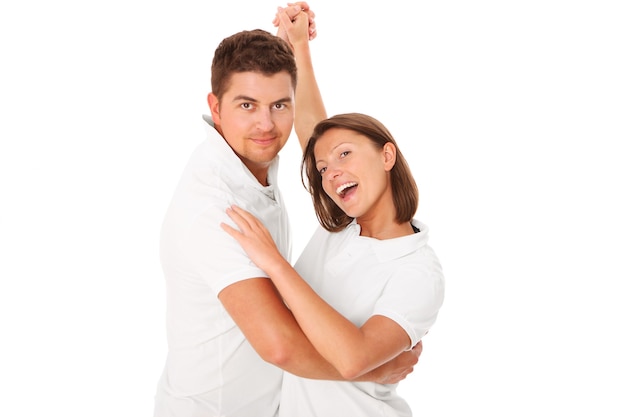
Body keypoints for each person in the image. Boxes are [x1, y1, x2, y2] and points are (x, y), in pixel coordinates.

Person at [153, 4, 421, 417]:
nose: (266, 124)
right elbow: (278, 345)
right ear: (216, 107)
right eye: (247, 106)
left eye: (279, 105)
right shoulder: (216, 209)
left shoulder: (247, 160)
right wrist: (375, 369)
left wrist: (295, 47)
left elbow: (321, 141)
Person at [221, 7, 445, 417]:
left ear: (387, 155)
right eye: (324, 169)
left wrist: (273, 262)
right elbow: (314, 130)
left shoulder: (417, 271)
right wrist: (299, 46)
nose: (331, 172)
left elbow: (354, 358)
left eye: (346, 155)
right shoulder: (341, 229)